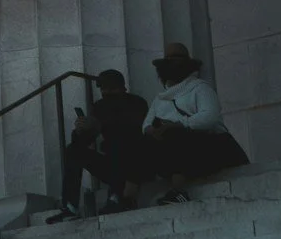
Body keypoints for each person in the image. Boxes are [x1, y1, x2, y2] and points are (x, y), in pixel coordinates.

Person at [121, 43, 249, 204]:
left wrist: (178, 124)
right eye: (168, 60)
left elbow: (210, 117)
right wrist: (153, 131)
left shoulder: (200, 88)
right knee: (137, 145)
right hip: (173, 147)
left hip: (212, 147)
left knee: (175, 135)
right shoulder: (160, 98)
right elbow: (146, 125)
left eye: (176, 60)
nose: (172, 64)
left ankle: (178, 191)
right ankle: (128, 198)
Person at [49, 70, 147, 220]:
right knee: (73, 150)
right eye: (104, 89)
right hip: (113, 165)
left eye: (112, 88)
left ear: (123, 88)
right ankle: (70, 206)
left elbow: (133, 131)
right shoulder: (100, 107)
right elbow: (84, 141)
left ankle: (116, 198)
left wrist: (99, 124)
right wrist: (81, 131)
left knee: (116, 144)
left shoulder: (137, 103)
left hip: (135, 163)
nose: (107, 92)